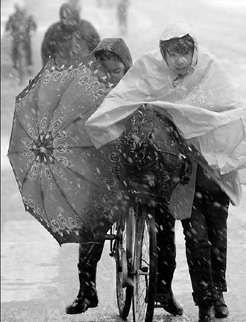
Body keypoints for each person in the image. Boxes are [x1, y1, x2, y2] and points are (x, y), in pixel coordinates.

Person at [85, 22, 246, 322]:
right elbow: (125, 98)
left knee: (217, 233)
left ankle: (217, 292)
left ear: (194, 50)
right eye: (174, 54)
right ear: (164, 54)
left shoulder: (209, 69)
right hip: (175, 170)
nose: (181, 60)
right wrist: (103, 124)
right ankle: (204, 301)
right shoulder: (150, 69)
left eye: (185, 52)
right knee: (195, 235)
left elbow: (229, 110)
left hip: (211, 169)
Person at [65, 37, 133, 315]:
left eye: (116, 72)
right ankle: (86, 289)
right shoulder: (87, 96)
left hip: (134, 171)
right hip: (102, 174)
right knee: (91, 225)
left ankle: (162, 291)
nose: (110, 78)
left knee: (159, 223)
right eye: (104, 72)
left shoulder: (138, 91)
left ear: (127, 69)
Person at [41, 3, 100, 68]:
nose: (70, 23)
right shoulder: (54, 31)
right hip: (61, 72)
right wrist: (48, 68)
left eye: (72, 20)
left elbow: (97, 49)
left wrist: (96, 66)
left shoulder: (86, 28)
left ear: (77, 18)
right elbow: (46, 52)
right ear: (62, 19)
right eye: (66, 20)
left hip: (83, 70)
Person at [5, 1, 37, 72]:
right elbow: (8, 26)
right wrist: (8, 31)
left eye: (19, 8)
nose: (18, 9)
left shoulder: (28, 17)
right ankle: (15, 64)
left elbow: (33, 25)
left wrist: (32, 31)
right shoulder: (12, 17)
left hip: (26, 37)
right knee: (14, 50)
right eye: (17, 8)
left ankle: (29, 65)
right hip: (15, 37)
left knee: (28, 50)